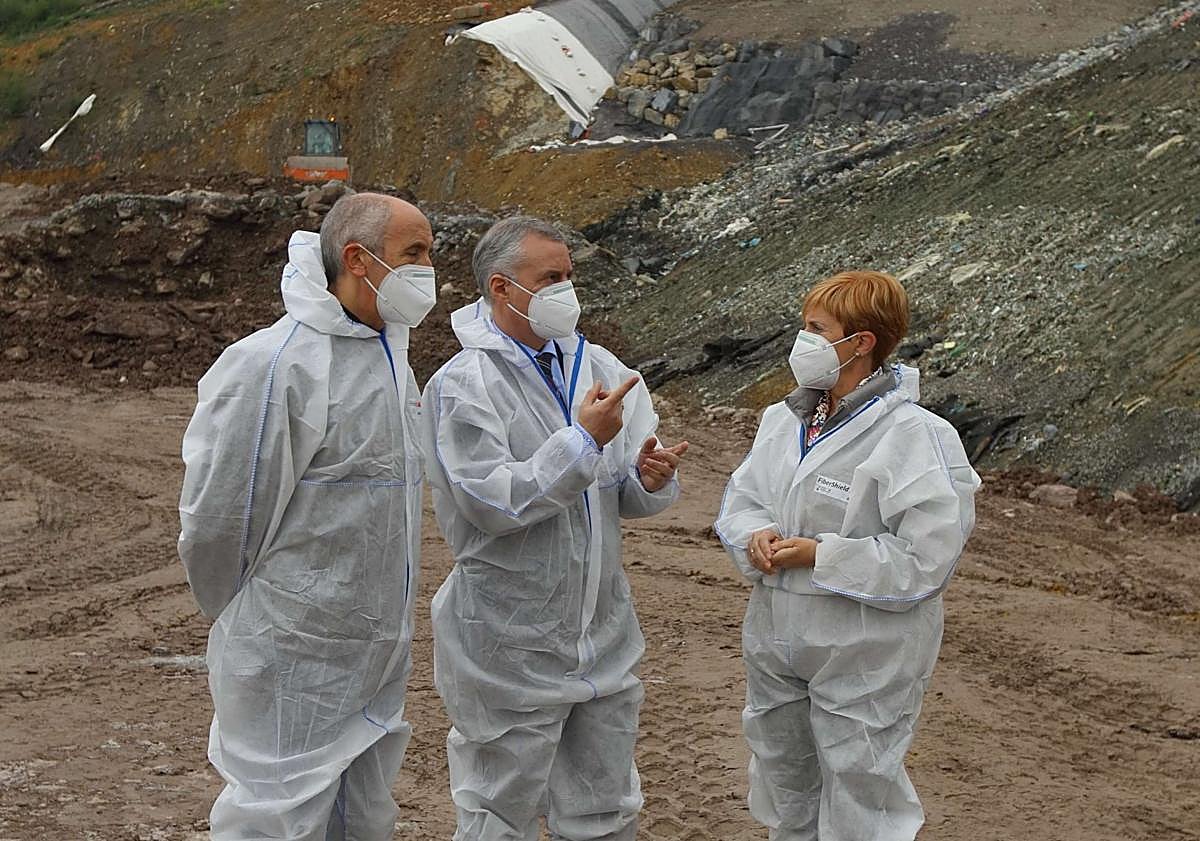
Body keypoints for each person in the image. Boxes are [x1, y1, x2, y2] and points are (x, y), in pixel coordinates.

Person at [421, 216, 689, 841]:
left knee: (605, 807)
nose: (566, 290)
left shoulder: (599, 366)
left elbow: (614, 492)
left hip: (601, 632)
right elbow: (490, 503)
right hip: (507, 641)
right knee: (499, 808)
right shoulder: (464, 385)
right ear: (501, 288)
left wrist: (648, 480)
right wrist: (582, 441)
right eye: (550, 278)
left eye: (569, 276)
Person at [178, 193, 436, 840]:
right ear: (357, 258)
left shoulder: (390, 359)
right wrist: (261, 622)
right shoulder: (274, 364)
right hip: (292, 659)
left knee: (361, 818)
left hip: (373, 660)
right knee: (274, 820)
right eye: (416, 254)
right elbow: (219, 526)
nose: (430, 271)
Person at [714, 270, 980, 841]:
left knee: (861, 787)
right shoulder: (783, 421)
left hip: (865, 650)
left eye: (816, 329)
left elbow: (926, 560)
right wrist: (755, 535)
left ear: (860, 343)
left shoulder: (916, 435)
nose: (802, 341)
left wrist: (821, 555)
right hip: (778, 636)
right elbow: (743, 500)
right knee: (785, 779)